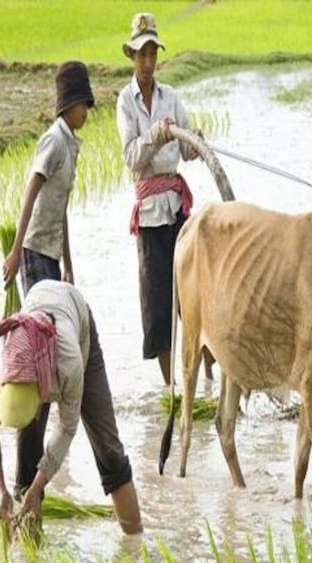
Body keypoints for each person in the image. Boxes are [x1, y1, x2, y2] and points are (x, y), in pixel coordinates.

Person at [0, 280, 143, 535]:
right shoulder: (8, 374)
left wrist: (38, 487)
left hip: (76, 323)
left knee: (108, 450)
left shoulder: (69, 364)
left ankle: (135, 545)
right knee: (26, 462)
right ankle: (29, 561)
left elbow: (67, 429)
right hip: (36, 324)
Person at [2, 60, 94, 502]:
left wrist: (70, 265)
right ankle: (28, 471)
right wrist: (17, 249)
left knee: (52, 351)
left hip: (52, 255)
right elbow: (32, 191)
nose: (88, 114)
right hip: (34, 254)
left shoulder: (72, 145)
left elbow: (62, 210)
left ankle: (39, 461)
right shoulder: (53, 141)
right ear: (71, 105)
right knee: (43, 350)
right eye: (84, 106)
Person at [115, 12, 212, 387]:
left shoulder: (171, 96)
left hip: (178, 209)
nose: (148, 62)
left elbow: (186, 150)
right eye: (141, 54)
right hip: (151, 215)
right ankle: (171, 385)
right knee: (158, 306)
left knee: (194, 294)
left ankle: (203, 377)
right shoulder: (126, 102)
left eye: (153, 53)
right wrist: (156, 134)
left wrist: (195, 140)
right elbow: (131, 157)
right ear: (132, 56)